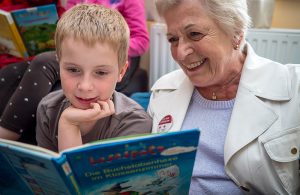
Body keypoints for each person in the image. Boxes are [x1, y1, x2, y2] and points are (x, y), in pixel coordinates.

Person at [147, 0, 300, 194]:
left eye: (194, 34)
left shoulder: (294, 89)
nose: (180, 53)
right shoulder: (163, 91)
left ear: (236, 31)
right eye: (173, 39)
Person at [0, 0, 149, 144]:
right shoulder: (47, 108)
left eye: (101, 73)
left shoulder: (134, 123)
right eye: (73, 70)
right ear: (59, 66)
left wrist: (68, 126)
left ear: (121, 71)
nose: (85, 86)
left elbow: (76, 171)